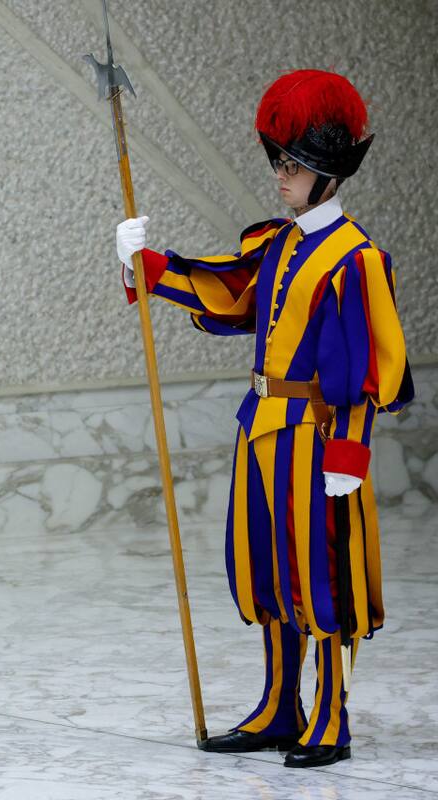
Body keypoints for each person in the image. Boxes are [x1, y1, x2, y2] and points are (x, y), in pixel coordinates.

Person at [114, 70, 412, 768]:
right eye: (279, 159)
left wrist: (349, 457)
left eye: (295, 164)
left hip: (317, 440)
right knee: (269, 572)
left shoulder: (356, 261)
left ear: (329, 173)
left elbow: (366, 372)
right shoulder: (277, 244)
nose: (281, 174)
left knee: (323, 578)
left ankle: (330, 717)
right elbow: (227, 293)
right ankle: (282, 704)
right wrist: (145, 265)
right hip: (263, 430)